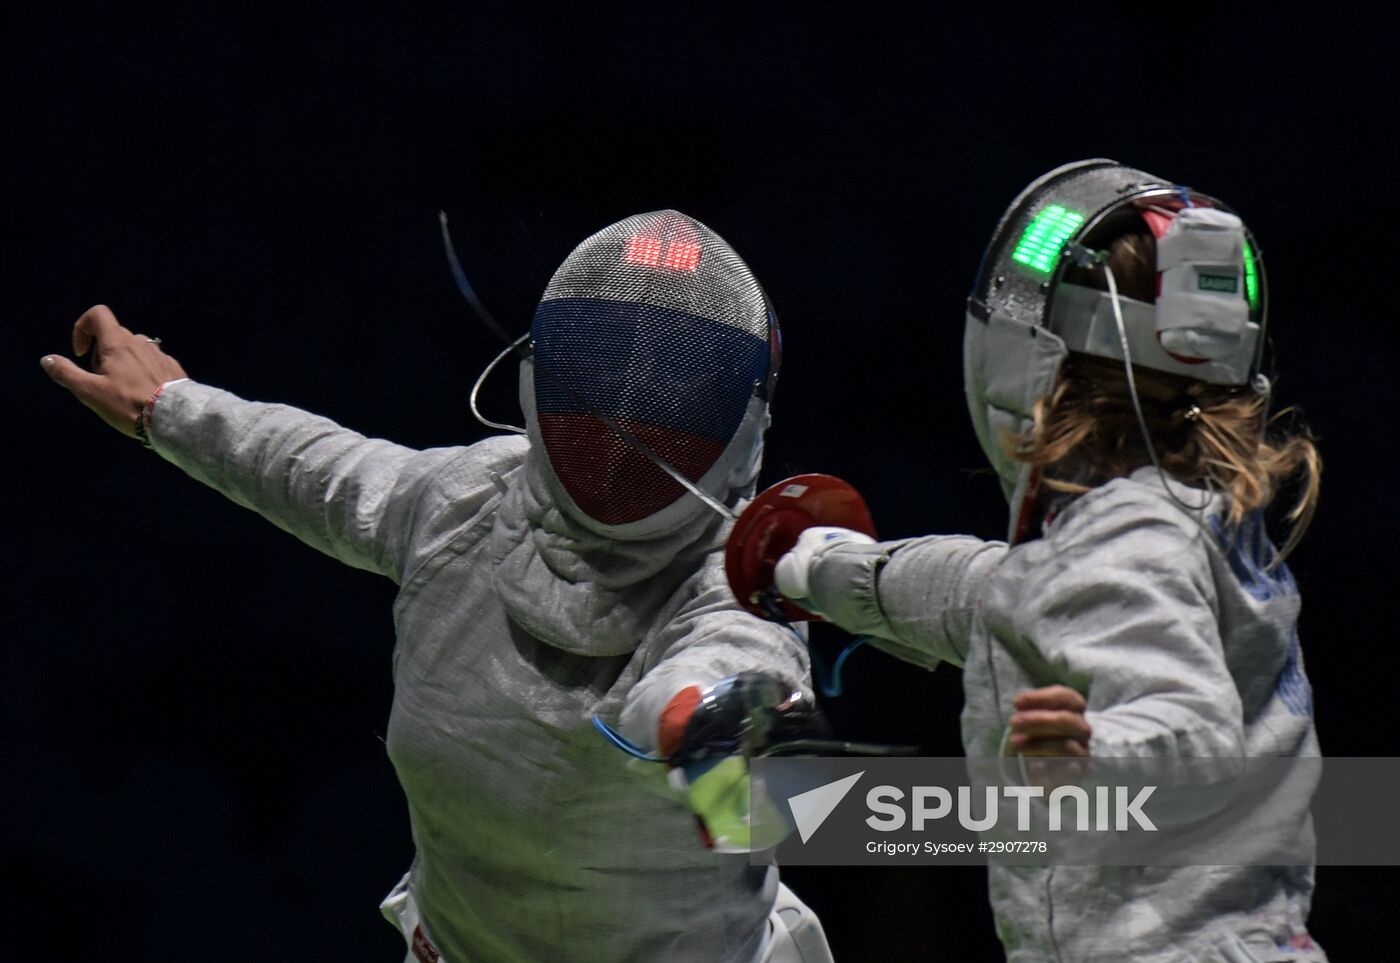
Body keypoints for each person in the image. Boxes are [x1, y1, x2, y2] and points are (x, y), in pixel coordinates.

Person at [42, 210, 835, 962]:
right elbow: (312, 467)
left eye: (668, 394)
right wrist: (171, 408)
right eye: (606, 371)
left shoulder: (741, 575)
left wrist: (702, 712)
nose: (624, 421)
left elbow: (738, 656)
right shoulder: (469, 500)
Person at [772, 160, 1326, 962]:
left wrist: (1097, 748)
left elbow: (1191, 727)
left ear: (1039, 365)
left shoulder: (1129, 539)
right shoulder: (1191, 522)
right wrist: (823, 570)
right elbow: (991, 596)